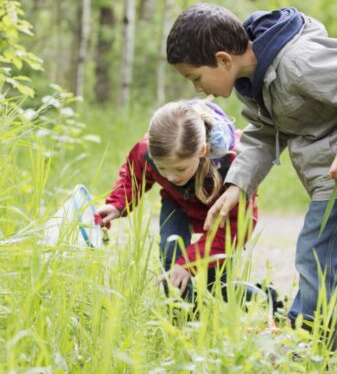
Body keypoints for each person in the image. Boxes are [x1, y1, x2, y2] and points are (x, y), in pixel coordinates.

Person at [166, 3, 337, 373]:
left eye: (196, 77)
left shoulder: (298, 62)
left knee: (317, 255)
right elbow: (264, 133)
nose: (199, 90)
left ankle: (306, 357)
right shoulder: (251, 80)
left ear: (223, 59)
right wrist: (236, 186)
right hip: (331, 172)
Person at [97, 99, 265, 306]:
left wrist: (190, 263)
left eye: (179, 169)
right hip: (177, 205)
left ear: (202, 151)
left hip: (222, 217)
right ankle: (183, 316)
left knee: (218, 285)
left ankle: (264, 301)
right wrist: (116, 204)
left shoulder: (234, 166)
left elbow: (237, 228)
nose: (170, 177)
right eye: (162, 169)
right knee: (170, 252)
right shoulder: (150, 152)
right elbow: (134, 176)